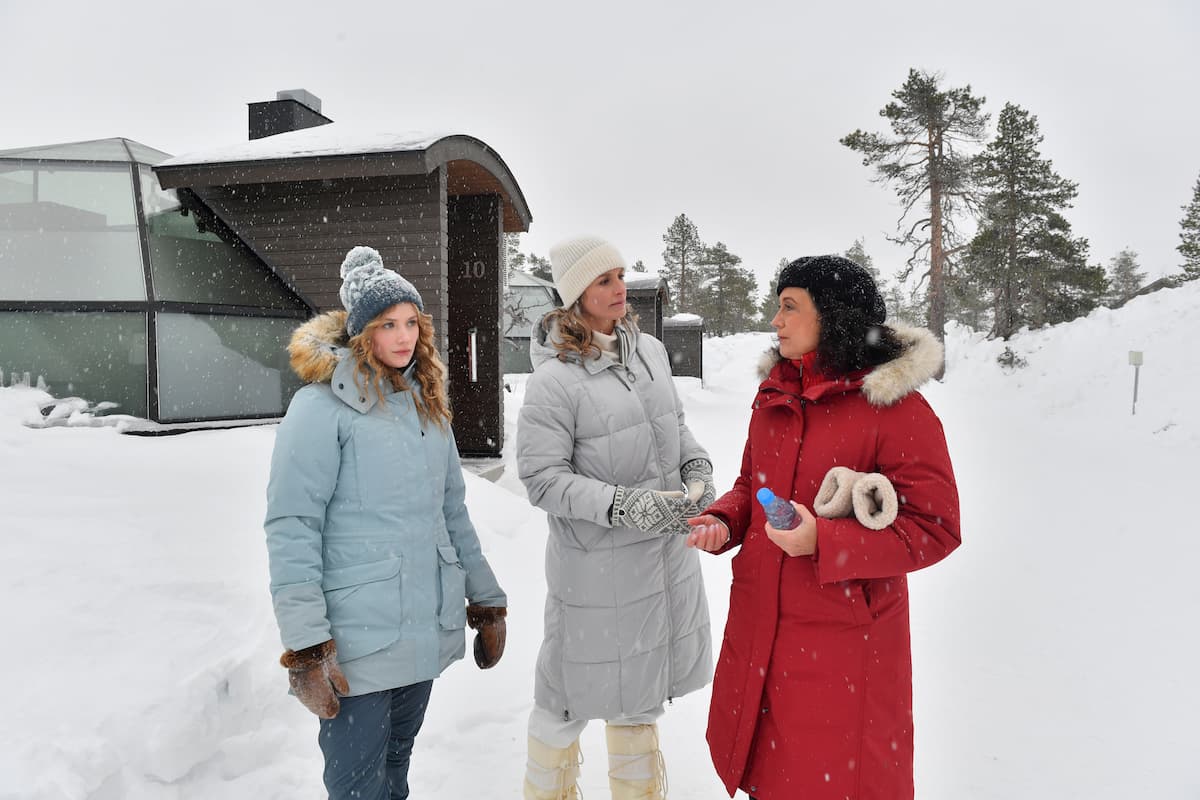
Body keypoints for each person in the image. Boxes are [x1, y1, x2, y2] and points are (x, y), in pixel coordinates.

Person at [686, 254, 962, 800]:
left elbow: (936, 527)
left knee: (829, 781)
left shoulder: (895, 408)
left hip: (845, 649)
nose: (776, 320)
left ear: (831, 317)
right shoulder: (775, 395)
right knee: (772, 776)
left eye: (789, 306)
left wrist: (826, 542)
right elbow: (751, 485)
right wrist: (724, 518)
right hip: (763, 625)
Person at [264, 245, 508, 800]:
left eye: (411, 324)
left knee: (395, 770)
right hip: (357, 645)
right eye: (387, 324)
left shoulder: (426, 407)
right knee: (355, 786)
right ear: (360, 332)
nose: (404, 337)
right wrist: (305, 645)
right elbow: (292, 524)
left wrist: (485, 598)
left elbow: (451, 513)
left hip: (419, 629)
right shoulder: (319, 408)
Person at [516, 235, 715, 800]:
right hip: (595, 573)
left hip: (660, 563)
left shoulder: (649, 351)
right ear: (576, 294)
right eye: (604, 280)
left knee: (639, 699)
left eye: (621, 275)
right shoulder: (554, 380)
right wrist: (624, 504)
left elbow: (675, 426)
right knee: (565, 699)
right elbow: (542, 479)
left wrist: (696, 467)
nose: (620, 288)